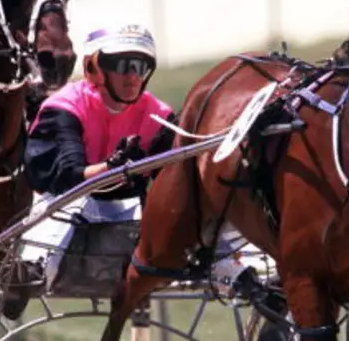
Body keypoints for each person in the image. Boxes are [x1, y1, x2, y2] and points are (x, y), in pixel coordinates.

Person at [21, 22, 262, 297]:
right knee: (70, 204)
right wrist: (112, 168)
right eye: (123, 66)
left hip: (126, 212)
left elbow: (181, 182)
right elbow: (65, 178)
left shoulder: (157, 114)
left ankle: (233, 273)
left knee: (193, 203)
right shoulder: (65, 107)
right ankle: (34, 271)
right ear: (93, 69)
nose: (133, 77)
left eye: (140, 67)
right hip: (66, 206)